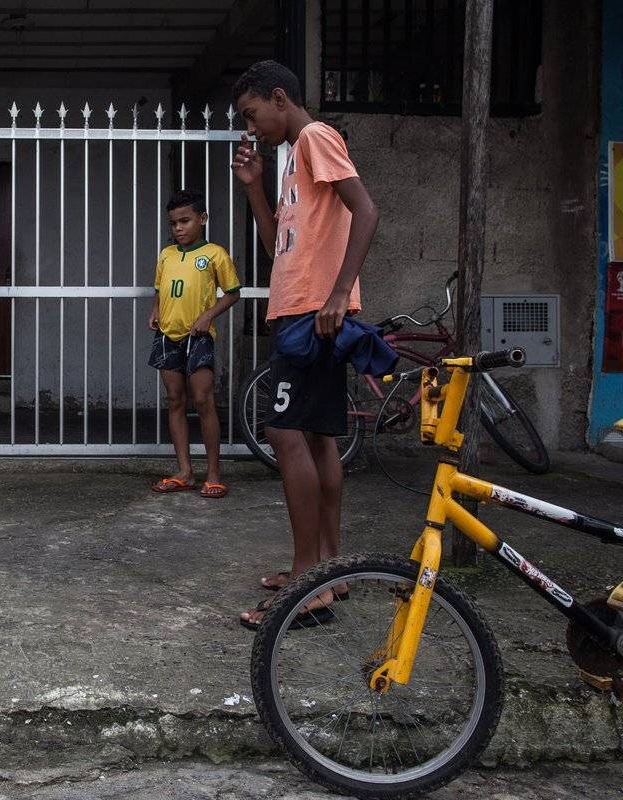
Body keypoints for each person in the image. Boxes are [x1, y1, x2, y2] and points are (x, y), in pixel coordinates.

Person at [230, 60, 379, 629]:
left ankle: (306, 583)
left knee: (283, 431)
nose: (251, 127)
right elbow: (279, 246)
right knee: (318, 439)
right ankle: (329, 570)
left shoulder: (316, 136)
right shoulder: (294, 155)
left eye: (252, 114)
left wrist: (339, 294)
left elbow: (366, 209)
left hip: (313, 312)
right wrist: (255, 190)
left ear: (279, 98)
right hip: (301, 306)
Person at [147, 188, 241, 499]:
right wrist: (156, 311)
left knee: (202, 401)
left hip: (197, 337)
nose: (179, 228)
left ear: (202, 219)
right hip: (167, 337)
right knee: (175, 400)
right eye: (173, 223)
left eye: (185, 221)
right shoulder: (167, 254)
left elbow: (232, 293)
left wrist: (208, 316)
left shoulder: (215, 254)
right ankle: (184, 471)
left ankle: (213, 475)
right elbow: (161, 289)